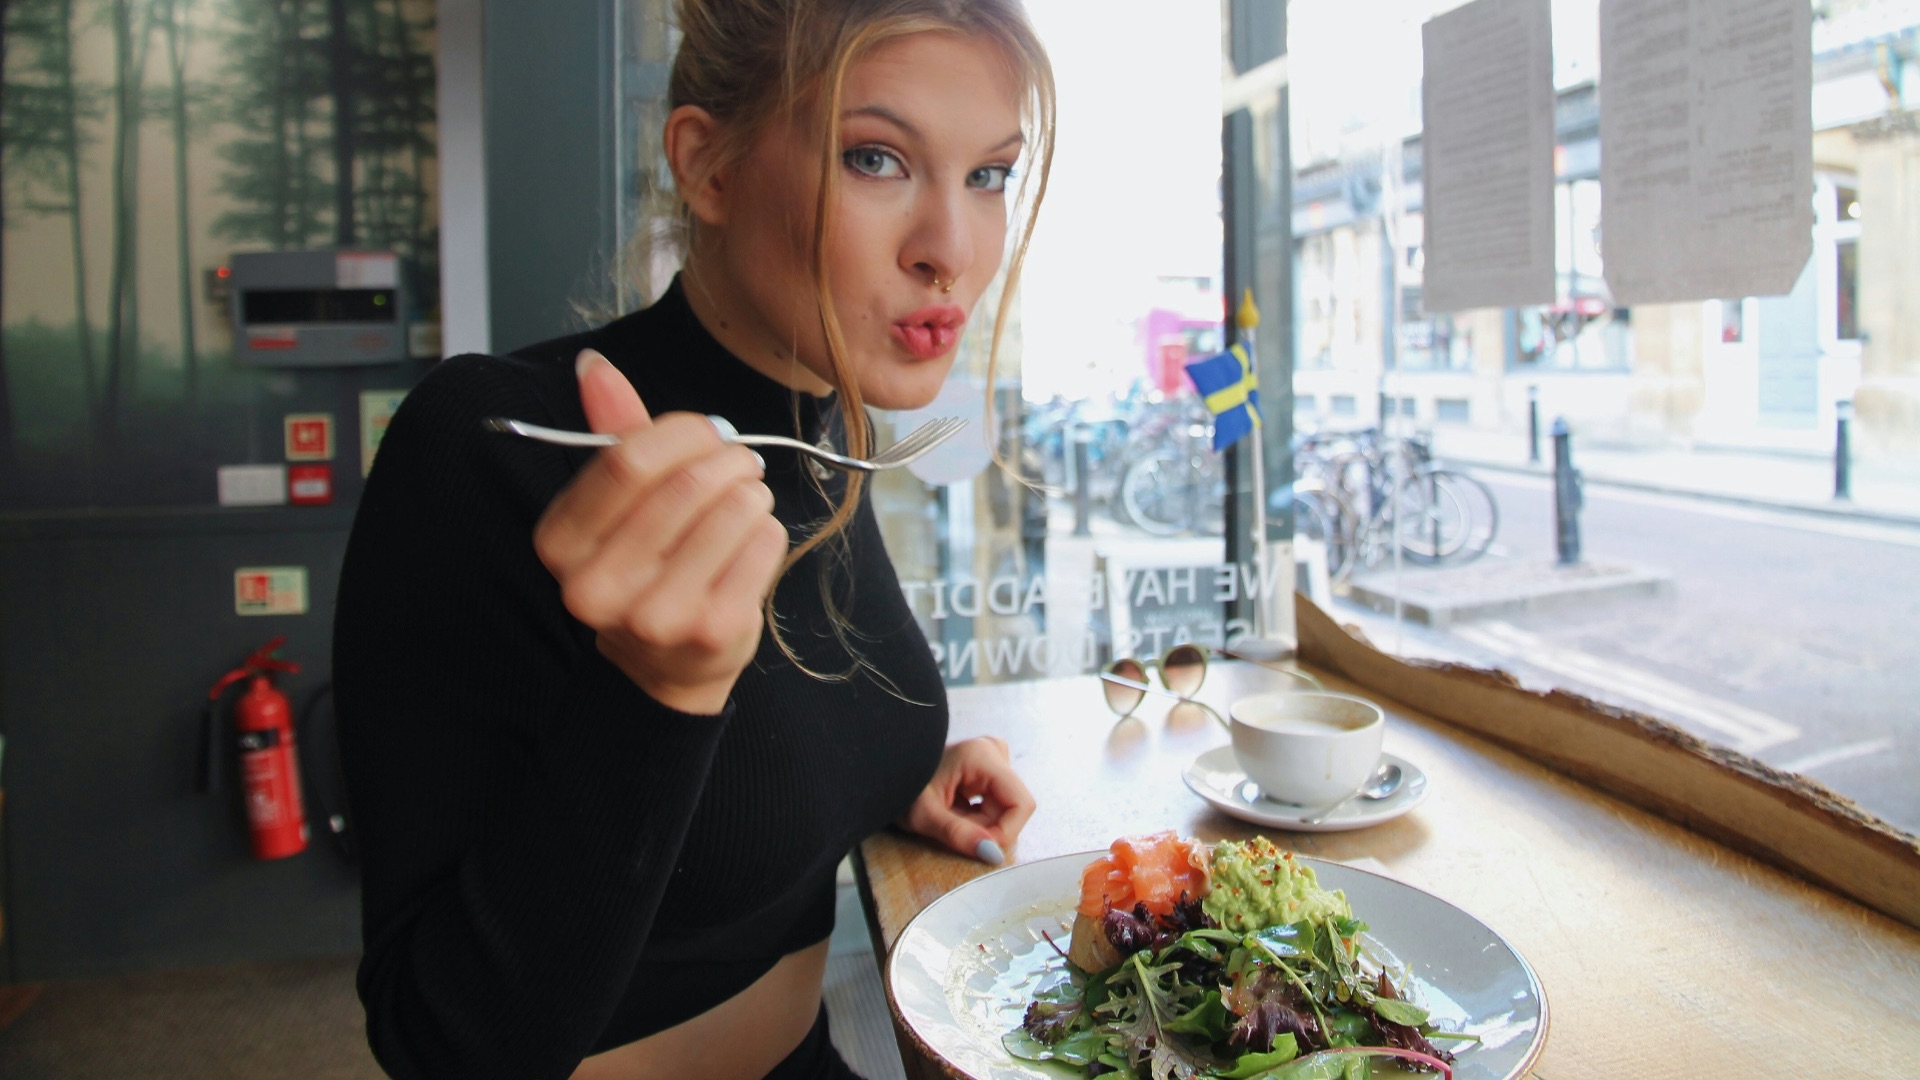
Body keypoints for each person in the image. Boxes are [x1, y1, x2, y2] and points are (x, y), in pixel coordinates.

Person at [332, 2, 1055, 1078]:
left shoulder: (828, 424)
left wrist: (887, 770)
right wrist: (654, 688)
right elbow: (439, 1043)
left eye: (989, 175)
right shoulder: (490, 443)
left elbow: (740, 779)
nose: (952, 252)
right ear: (708, 167)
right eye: (876, 159)